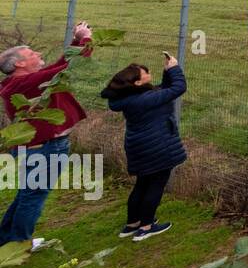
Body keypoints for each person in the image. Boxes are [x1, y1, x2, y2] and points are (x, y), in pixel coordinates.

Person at [0, 22, 94, 248]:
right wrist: (86, 39)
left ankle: (6, 239)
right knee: (34, 195)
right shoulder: (23, 83)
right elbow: (70, 67)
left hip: (36, 147)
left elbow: (61, 65)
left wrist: (76, 41)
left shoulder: (25, 80)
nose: (38, 53)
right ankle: (20, 244)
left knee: (27, 193)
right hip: (44, 148)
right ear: (20, 64)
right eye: (32, 53)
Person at [99, 53, 187, 241]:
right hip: (157, 145)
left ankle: (132, 224)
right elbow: (178, 88)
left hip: (139, 145)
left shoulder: (129, 98)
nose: (148, 73)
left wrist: (167, 72)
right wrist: (175, 69)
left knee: (142, 183)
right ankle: (146, 227)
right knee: (155, 185)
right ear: (137, 83)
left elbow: (161, 91)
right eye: (144, 73)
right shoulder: (144, 99)